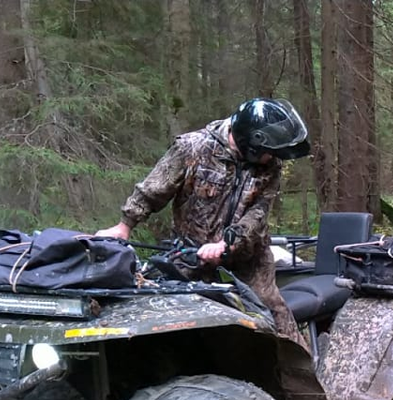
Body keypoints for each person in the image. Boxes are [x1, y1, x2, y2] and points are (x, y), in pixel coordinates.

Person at [95, 98, 311, 347]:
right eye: (269, 153)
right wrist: (125, 225)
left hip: (248, 260)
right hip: (192, 258)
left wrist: (227, 243)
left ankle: (300, 382)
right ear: (250, 142)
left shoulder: (270, 164)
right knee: (191, 329)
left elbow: (258, 214)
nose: (272, 158)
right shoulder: (193, 148)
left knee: (276, 321)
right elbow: (153, 189)